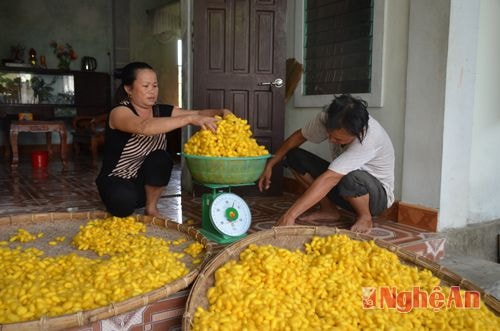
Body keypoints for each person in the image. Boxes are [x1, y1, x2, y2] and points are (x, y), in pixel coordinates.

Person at [96, 61, 231, 218]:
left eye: (155, 85)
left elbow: (199, 112)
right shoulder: (119, 112)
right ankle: (122, 202)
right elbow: (143, 127)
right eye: (146, 86)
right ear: (128, 89)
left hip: (142, 183)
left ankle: (151, 208)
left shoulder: (161, 110)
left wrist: (221, 112)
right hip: (116, 180)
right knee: (124, 202)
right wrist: (189, 119)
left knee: (162, 158)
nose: (152, 91)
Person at [258, 94, 394, 233]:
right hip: (344, 188)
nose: (331, 140)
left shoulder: (369, 139)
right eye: (329, 134)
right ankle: (328, 209)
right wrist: (271, 164)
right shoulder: (327, 117)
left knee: (351, 176)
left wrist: (290, 216)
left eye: (338, 139)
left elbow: (330, 178)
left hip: (375, 198)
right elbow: (299, 136)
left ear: (357, 133)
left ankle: (365, 217)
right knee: (294, 156)